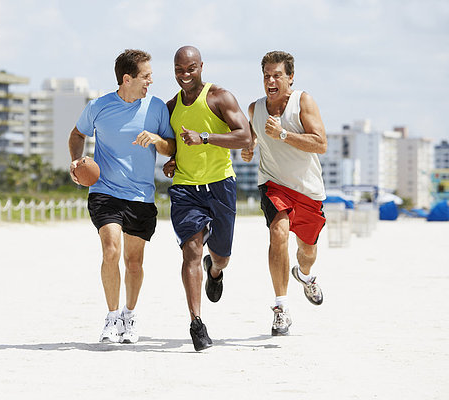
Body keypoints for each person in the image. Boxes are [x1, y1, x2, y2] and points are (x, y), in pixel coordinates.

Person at [68, 49, 175, 344]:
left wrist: (157, 141)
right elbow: (77, 135)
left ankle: (130, 314)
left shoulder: (156, 108)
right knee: (111, 250)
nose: (150, 81)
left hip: (141, 195)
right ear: (127, 79)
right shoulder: (99, 107)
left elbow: (172, 147)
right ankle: (112, 316)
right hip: (105, 192)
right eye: (146, 76)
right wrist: (77, 162)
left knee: (134, 262)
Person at [162, 46, 252, 351]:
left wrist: (206, 137)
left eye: (190, 69)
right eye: (179, 70)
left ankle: (214, 271)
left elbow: (245, 137)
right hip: (186, 189)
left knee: (222, 256)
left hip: (220, 186)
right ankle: (196, 323)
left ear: (202, 66)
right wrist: (171, 158)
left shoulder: (220, 97)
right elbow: (172, 143)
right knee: (190, 251)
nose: (185, 76)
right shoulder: (171, 106)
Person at [242, 51, 327, 336]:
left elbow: (320, 143)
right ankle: (281, 308)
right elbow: (252, 135)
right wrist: (249, 146)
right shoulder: (255, 109)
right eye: (266, 75)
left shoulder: (303, 101)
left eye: (277, 75)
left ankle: (305, 276)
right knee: (277, 233)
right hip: (274, 184)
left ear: (290, 77)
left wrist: (283, 135)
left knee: (307, 252)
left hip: (308, 190)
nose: (271, 80)